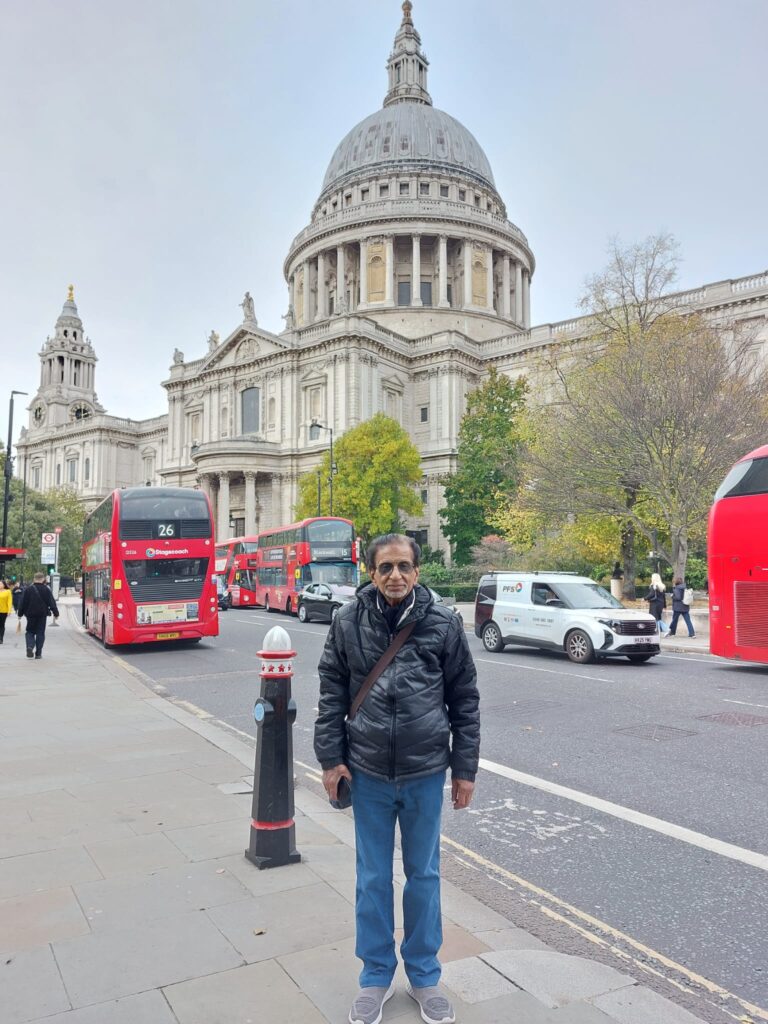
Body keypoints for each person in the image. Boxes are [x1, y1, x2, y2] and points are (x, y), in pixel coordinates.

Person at [315, 534, 480, 1024]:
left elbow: (464, 699)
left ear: (417, 571)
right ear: (371, 573)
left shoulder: (443, 623)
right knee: (372, 877)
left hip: (425, 771)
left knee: (423, 876)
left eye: (404, 566)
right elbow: (331, 694)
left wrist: (464, 769)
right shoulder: (347, 621)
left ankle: (425, 975)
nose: (395, 576)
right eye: (385, 567)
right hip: (367, 771)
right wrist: (331, 760)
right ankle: (376, 975)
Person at [18, 572, 60, 659]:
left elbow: (22, 603)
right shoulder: (46, 589)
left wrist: (20, 614)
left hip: (30, 615)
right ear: (43, 579)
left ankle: (30, 646)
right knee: (40, 633)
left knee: (30, 632)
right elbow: (52, 603)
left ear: (34, 579)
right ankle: (38, 654)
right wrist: (56, 613)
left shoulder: (28, 589)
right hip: (42, 615)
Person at [0, 579, 11, 644]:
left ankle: (1, 638)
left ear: (4, 585)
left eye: (1, 584)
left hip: (3, 611)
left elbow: (9, 601)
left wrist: (9, 610)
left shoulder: (8, 592)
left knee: (1, 625)